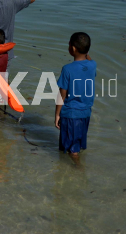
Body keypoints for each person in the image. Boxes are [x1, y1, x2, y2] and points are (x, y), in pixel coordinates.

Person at [56, 32, 96, 163]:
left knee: (72, 151)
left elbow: (62, 94)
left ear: (73, 48)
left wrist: (57, 114)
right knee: (77, 144)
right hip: (85, 114)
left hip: (71, 115)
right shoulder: (92, 65)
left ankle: (78, 170)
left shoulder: (67, 69)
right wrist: (85, 52)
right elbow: (89, 59)